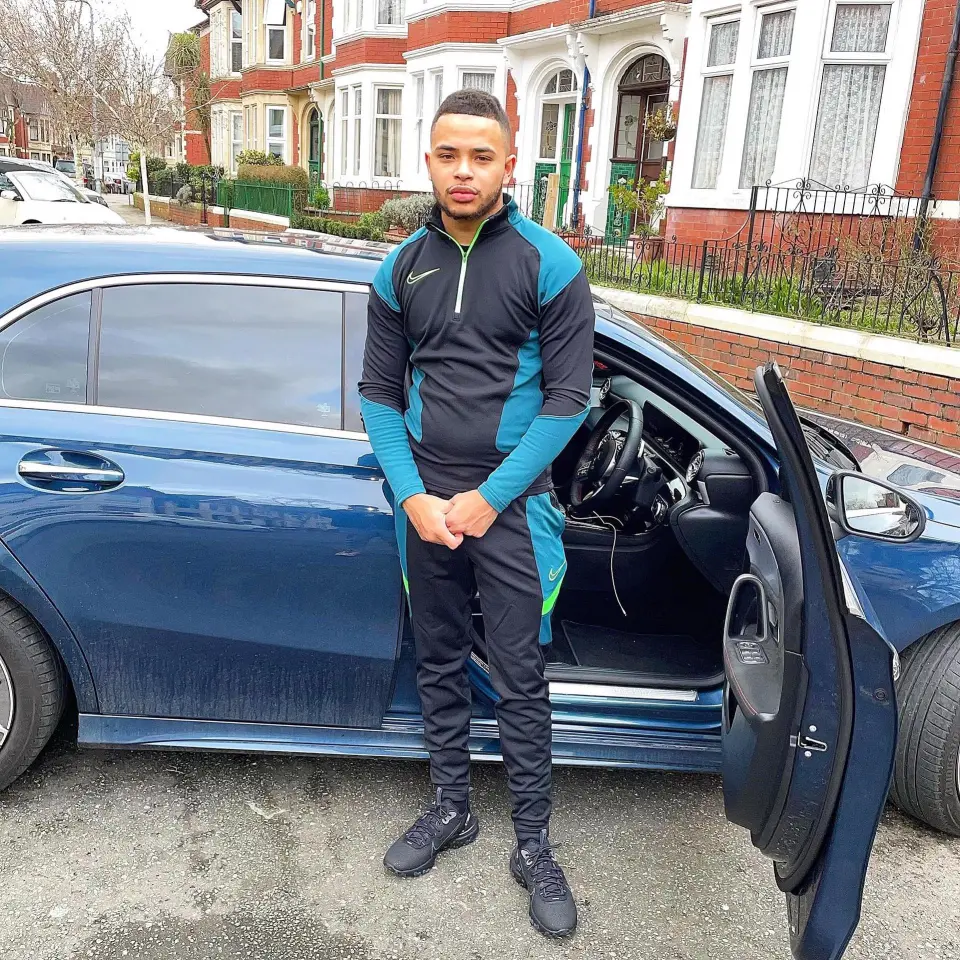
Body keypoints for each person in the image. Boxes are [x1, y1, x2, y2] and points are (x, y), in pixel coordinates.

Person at [358, 88, 594, 939]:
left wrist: (488, 500)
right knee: (438, 659)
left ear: (508, 162)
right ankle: (451, 808)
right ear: (428, 159)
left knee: (521, 674)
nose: (463, 171)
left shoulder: (550, 264)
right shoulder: (401, 268)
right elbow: (378, 397)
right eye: (447, 154)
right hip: (424, 506)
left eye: (480, 156)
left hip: (513, 504)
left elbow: (568, 402)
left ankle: (532, 843)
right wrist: (414, 497)